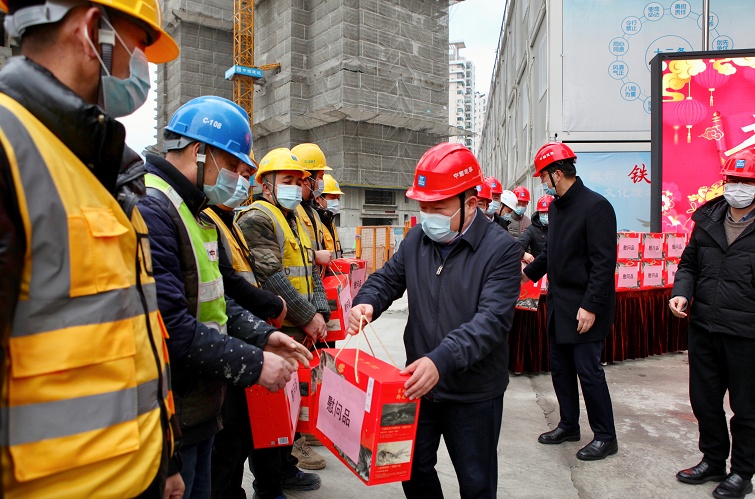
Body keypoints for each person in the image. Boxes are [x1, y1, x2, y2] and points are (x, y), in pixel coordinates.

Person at [0, 0, 183, 496]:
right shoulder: (10, 147)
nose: (139, 71)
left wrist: (162, 459)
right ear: (92, 32)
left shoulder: (93, 162)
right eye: (138, 48)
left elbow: (126, 342)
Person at [138, 96, 310, 499]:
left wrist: (263, 336)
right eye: (232, 167)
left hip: (199, 407)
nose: (239, 179)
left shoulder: (195, 212)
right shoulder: (153, 208)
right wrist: (255, 363)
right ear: (199, 152)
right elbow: (171, 327)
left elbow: (216, 301)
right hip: (170, 414)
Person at [347, 142, 523, 499]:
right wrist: (366, 303)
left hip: (473, 392)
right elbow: (387, 279)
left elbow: (490, 321)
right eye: (422, 206)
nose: (427, 215)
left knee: (476, 482)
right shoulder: (417, 240)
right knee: (411, 469)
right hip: (418, 383)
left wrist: (440, 360)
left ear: (470, 203)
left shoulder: (501, 250)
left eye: (437, 207)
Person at [236, 148, 330, 497]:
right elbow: (272, 277)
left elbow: (311, 272)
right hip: (273, 334)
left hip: (298, 333)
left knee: (290, 411)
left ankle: (285, 470)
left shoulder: (296, 218)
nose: (294, 187)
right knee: (269, 417)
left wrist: (320, 314)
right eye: (286, 181)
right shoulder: (257, 218)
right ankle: (268, 483)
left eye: (298, 181)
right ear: (267, 185)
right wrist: (308, 318)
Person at [522, 142, 618, 461]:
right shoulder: (556, 207)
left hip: (585, 307)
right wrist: (526, 276)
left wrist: (590, 306)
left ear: (557, 173)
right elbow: (551, 253)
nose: (542, 182)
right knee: (560, 369)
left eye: (543, 176)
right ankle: (568, 425)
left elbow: (604, 263)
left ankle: (605, 436)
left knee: (588, 372)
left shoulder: (596, 206)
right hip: (560, 304)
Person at [203, 155, 292, 499]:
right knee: (226, 447)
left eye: (245, 175)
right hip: (221, 348)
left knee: (243, 437)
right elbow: (231, 287)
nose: (242, 182)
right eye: (237, 172)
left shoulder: (229, 221)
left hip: (247, 336)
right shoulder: (212, 219)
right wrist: (271, 308)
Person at [669, 148, 755, 499]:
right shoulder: (708, 219)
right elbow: (689, 264)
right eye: (732, 180)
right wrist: (682, 292)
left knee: (746, 408)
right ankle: (713, 460)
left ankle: (742, 472)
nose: (738, 188)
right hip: (703, 326)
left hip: (746, 333)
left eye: (746, 181)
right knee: (704, 401)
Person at [291, 142, 333, 270]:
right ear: (306, 179)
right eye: (320, 177)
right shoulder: (291, 210)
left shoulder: (314, 213)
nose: (321, 182)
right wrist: (315, 256)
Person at [317, 173, 344, 259]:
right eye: (332, 197)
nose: (336, 201)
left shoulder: (330, 223)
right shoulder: (314, 223)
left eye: (337, 198)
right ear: (318, 198)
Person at [520, 194, 554, 263]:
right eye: (542, 213)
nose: (545, 216)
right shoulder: (532, 230)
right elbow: (518, 246)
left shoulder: (559, 227)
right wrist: (524, 254)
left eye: (547, 213)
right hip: (539, 269)